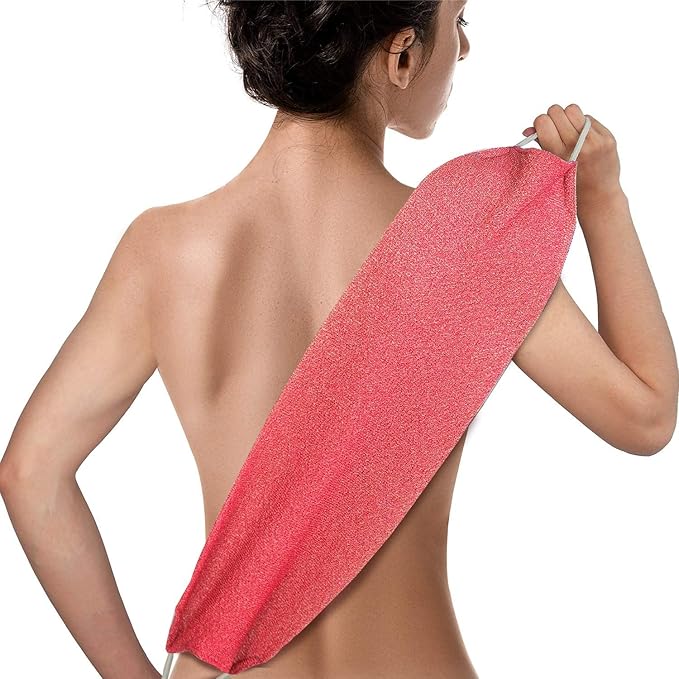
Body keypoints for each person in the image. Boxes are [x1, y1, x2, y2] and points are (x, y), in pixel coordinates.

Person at [1, 1, 676, 678]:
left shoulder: (165, 250)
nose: (465, 49)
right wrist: (602, 200)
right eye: (461, 22)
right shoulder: (468, 239)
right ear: (402, 53)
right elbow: (646, 415)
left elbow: (31, 475)